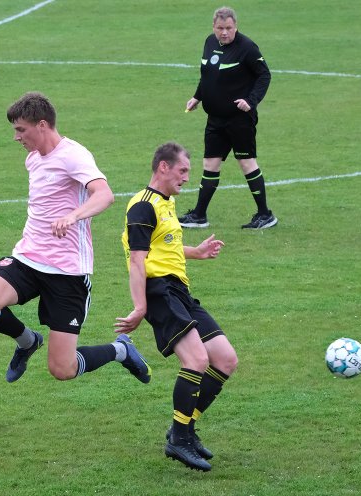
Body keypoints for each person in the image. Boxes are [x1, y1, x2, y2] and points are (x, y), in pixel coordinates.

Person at [0, 92, 151, 386]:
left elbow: (104, 195)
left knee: (62, 369)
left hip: (66, 272)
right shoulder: (33, 158)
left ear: (42, 125)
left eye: (21, 130)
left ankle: (120, 350)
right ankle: (28, 342)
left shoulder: (73, 155)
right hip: (28, 259)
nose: (16, 137)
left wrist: (73, 216)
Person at [115, 142, 238, 472]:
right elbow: (138, 260)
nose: (186, 177)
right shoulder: (143, 206)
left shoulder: (166, 203)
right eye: (182, 170)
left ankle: (184, 429)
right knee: (196, 360)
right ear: (163, 167)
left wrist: (196, 252)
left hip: (179, 290)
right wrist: (140, 306)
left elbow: (164, 245)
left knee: (225, 359)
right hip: (159, 291)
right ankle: (179, 440)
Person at [179, 6, 277, 230]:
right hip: (215, 119)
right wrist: (197, 97)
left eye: (229, 28)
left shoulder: (247, 47)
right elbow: (207, 75)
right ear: (213, 27)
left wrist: (251, 101)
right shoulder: (209, 42)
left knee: (246, 163)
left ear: (236, 26)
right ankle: (199, 215)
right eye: (220, 28)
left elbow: (264, 75)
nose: (224, 32)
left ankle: (265, 215)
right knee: (210, 164)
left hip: (239, 119)